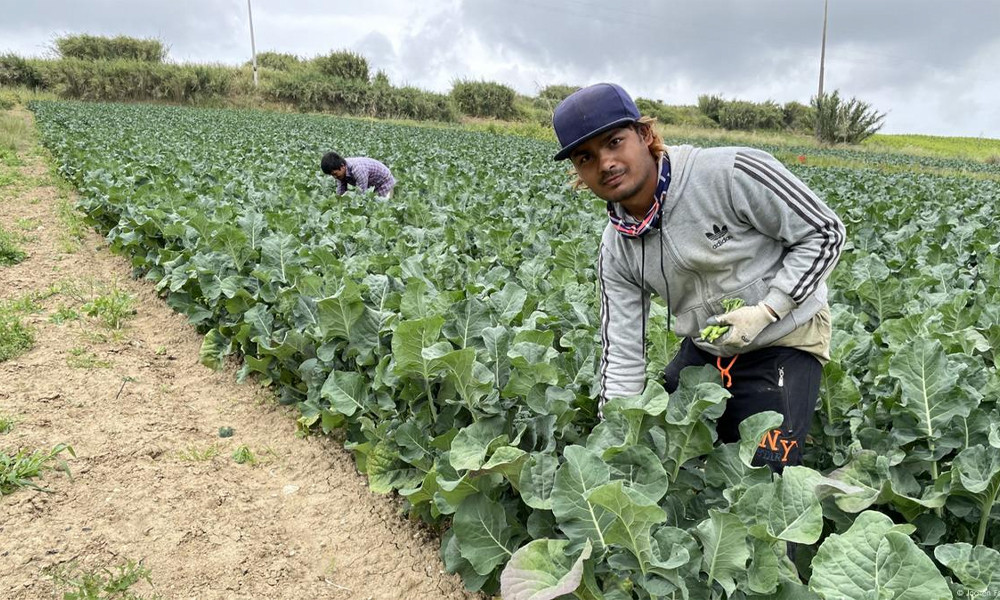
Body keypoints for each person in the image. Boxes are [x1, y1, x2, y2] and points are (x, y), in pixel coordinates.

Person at [552, 83, 845, 472]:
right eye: (586, 157)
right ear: (578, 172)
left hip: (785, 337)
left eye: (615, 142)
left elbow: (825, 233)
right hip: (708, 347)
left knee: (767, 480)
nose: (605, 163)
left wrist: (768, 310)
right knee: (665, 452)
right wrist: (617, 440)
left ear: (644, 135)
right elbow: (621, 350)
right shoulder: (617, 247)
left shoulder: (730, 172)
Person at [320, 151, 396, 198]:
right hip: (373, 186)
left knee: (381, 209)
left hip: (385, 183)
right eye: (332, 175)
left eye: (335, 174)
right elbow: (341, 190)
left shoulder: (358, 169)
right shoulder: (340, 173)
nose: (335, 177)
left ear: (342, 166)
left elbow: (362, 194)